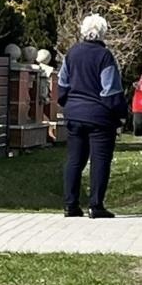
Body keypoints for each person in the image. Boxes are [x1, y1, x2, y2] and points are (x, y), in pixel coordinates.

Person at [58, 14, 127, 219]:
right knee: (100, 160)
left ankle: (70, 205)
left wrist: (67, 104)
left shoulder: (71, 53)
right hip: (99, 117)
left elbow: (62, 85)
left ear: (83, 31)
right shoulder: (104, 56)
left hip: (74, 115)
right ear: (103, 32)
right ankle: (96, 206)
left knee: (74, 160)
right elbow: (110, 90)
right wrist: (121, 114)